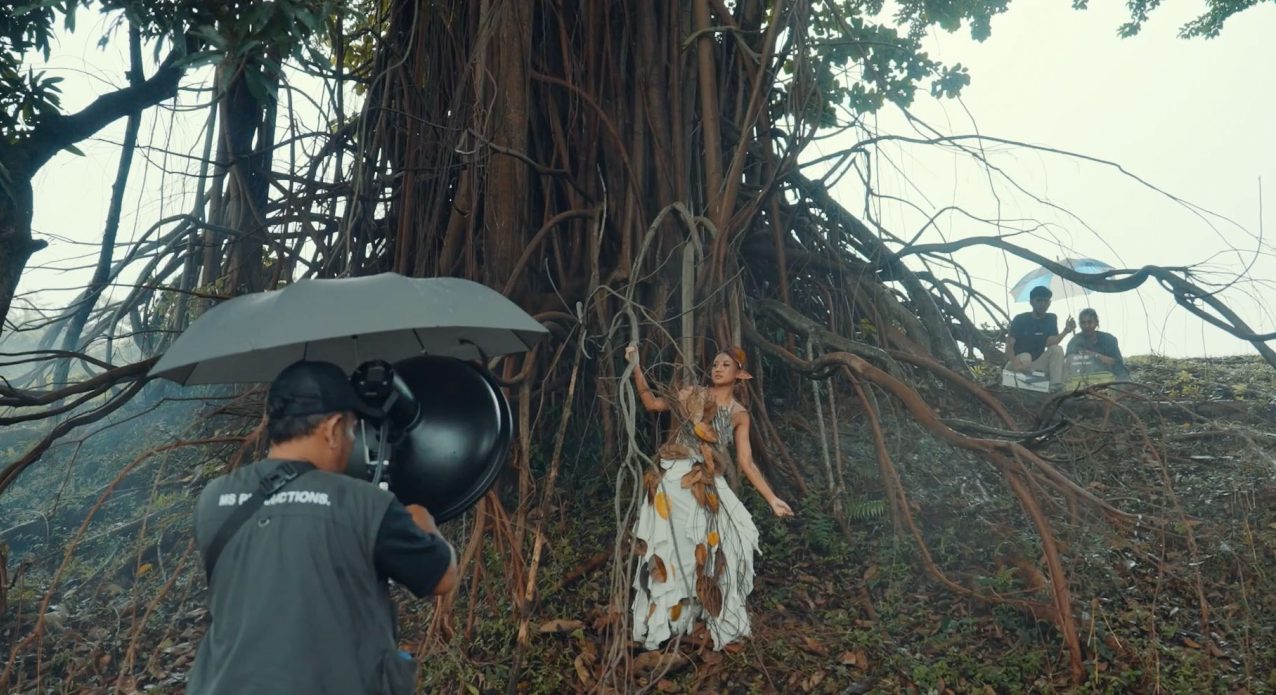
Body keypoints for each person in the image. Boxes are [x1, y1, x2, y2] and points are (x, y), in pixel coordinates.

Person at [188, 360, 458, 695]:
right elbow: (441, 577)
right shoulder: (365, 504)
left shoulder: (213, 500)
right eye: (352, 430)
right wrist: (425, 524)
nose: (351, 442)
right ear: (332, 428)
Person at [624, 343, 793, 652]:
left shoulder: (740, 415)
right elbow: (651, 404)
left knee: (734, 538)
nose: (717, 369)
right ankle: (669, 621)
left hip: (708, 481)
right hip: (676, 477)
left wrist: (772, 499)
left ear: (740, 374)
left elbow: (746, 462)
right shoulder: (692, 394)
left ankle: (703, 611)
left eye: (726, 365)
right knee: (672, 548)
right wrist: (635, 366)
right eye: (715, 364)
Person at [1006, 285, 1075, 390]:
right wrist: (1014, 362)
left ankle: (1055, 385)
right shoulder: (1020, 319)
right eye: (1039, 300)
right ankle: (1027, 381)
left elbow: (1050, 343)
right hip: (1017, 364)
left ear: (1049, 303)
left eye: (1045, 301)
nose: (1042, 304)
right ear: (1031, 302)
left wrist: (1066, 330)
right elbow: (1009, 345)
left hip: (1035, 366)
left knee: (1057, 349)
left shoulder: (1051, 318)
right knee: (1026, 357)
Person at [1066, 308, 1129, 379]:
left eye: (1090, 322)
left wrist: (1095, 355)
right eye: (1083, 323)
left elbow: (1117, 363)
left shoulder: (1108, 339)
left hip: (1111, 376)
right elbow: (1069, 362)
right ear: (1080, 325)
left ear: (1096, 323)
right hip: (1085, 378)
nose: (1087, 326)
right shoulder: (1075, 341)